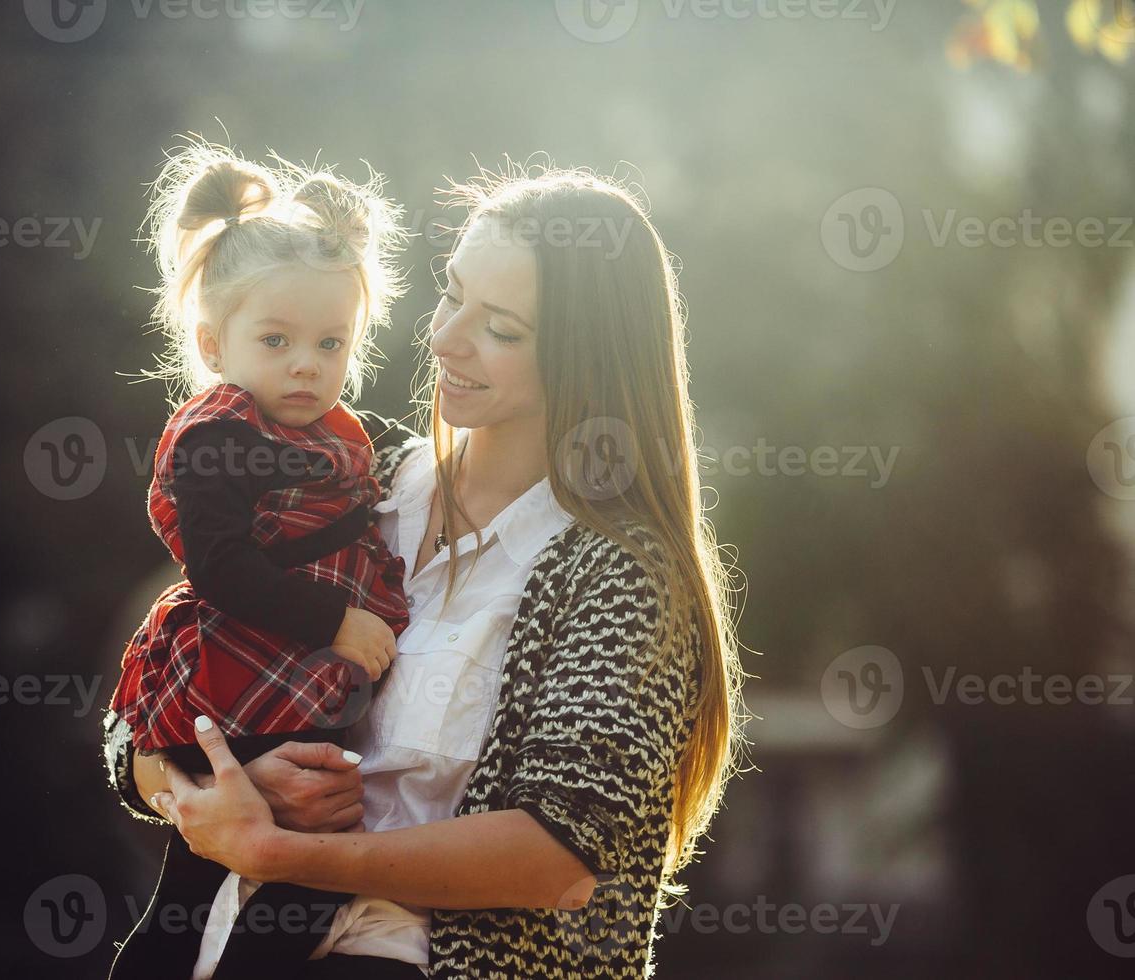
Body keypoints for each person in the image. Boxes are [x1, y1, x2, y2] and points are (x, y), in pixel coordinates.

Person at [103, 164, 748, 979]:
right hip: (218, 946)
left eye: (502, 329)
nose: (444, 338)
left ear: (583, 360)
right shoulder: (347, 482)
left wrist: (282, 850)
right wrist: (222, 776)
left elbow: (559, 858)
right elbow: (140, 717)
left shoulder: (623, 579)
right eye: (451, 294)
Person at [104, 140, 414, 979]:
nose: (307, 365)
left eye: (331, 343)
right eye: (275, 340)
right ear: (213, 342)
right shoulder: (220, 435)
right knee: (203, 900)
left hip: (288, 699)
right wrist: (339, 621)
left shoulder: (327, 436)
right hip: (235, 692)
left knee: (281, 893)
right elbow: (221, 570)